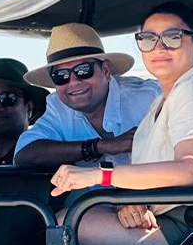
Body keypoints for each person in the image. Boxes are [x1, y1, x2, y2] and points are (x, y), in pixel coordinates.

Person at [50, 1, 193, 245]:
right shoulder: (166, 97)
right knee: (75, 215)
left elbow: (188, 170)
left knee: (68, 223)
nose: (159, 47)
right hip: (171, 212)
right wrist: (132, 201)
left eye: (173, 37)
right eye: (148, 39)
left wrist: (98, 175)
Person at [14, 23, 161, 168]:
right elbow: (24, 154)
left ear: (105, 70)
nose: (73, 82)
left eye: (83, 71)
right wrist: (97, 147)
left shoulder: (151, 97)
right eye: (61, 76)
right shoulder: (58, 107)